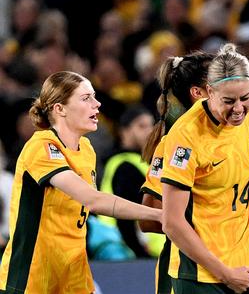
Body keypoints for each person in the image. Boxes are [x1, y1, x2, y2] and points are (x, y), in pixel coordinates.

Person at [0, 71, 160, 294]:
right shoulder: (41, 147)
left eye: (94, 96)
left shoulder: (86, 149)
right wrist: (158, 214)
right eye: (86, 98)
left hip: (74, 272)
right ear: (60, 109)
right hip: (33, 277)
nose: (97, 104)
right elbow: (92, 200)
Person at [160, 44, 249, 293]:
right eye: (229, 101)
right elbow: (172, 222)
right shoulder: (185, 136)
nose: (239, 108)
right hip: (203, 274)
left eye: (246, 97)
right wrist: (226, 274)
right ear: (209, 91)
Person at [139, 52, 216, 294]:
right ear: (199, 92)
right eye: (221, 79)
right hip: (186, 269)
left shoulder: (238, 138)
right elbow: (149, 218)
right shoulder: (176, 144)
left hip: (231, 261)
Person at [100, 105, 156, 258]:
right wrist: (139, 253)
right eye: (141, 126)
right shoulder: (124, 165)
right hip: (123, 250)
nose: (149, 131)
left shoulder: (141, 162)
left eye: (151, 125)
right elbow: (124, 215)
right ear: (124, 131)